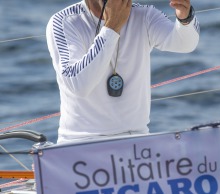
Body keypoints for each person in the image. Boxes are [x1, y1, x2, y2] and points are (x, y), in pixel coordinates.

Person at [46, 0, 200, 143]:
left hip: (136, 142)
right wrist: (112, 27)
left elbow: (184, 44)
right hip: (80, 143)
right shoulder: (63, 21)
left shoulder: (144, 15)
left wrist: (184, 18)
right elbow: (79, 85)